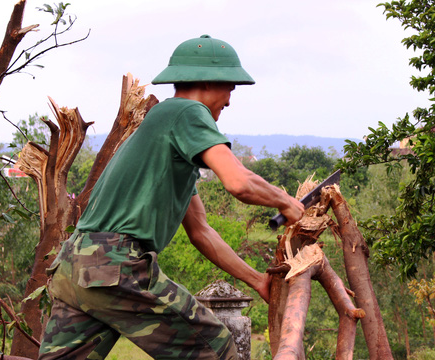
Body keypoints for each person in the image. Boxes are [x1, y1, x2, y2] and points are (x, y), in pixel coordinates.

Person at [38, 35, 304, 359]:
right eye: (229, 88)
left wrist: (257, 280)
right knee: (215, 347)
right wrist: (287, 202)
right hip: (114, 265)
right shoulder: (187, 112)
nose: (230, 101)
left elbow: (201, 232)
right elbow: (238, 181)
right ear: (207, 81)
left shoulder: (166, 135)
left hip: (75, 266)